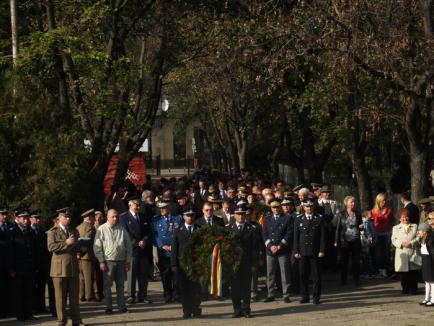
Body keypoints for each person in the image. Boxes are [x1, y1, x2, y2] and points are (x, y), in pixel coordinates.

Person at [47, 207, 83, 326]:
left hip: (72, 268)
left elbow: (76, 245)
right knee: (60, 298)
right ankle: (61, 321)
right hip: (59, 270)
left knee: (74, 298)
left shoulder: (74, 230)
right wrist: (65, 243)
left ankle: (76, 321)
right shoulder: (53, 231)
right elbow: (51, 247)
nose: (68, 219)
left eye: (69, 217)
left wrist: (81, 247)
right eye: (65, 217)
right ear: (59, 218)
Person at [93, 209, 132, 314]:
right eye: (113, 217)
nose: (115, 218)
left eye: (116, 216)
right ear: (107, 217)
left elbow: (128, 246)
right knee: (107, 286)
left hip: (121, 261)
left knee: (120, 285)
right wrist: (101, 261)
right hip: (108, 262)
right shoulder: (101, 229)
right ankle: (108, 307)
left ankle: (121, 306)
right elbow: (97, 247)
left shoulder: (122, 229)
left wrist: (128, 261)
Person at [120, 195, 153, 304]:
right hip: (132, 250)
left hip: (143, 250)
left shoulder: (143, 216)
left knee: (143, 274)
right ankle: (131, 295)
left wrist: (144, 240)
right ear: (130, 205)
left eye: (139, 205)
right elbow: (125, 233)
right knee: (131, 274)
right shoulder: (124, 217)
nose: (138, 207)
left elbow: (147, 231)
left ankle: (143, 295)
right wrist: (136, 242)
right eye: (136, 205)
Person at [227, 206, 259, 318]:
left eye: (243, 214)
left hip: (247, 263)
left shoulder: (252, 228)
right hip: (233, 264)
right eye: (238, 214)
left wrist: (254, 263)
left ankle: (246, 309)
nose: (241, 216)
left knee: (246, 287)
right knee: (234, 288)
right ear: (234, 215)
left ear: (245, 215)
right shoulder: (228, 228)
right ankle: (237, 309)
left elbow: (255, 248)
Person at [8, 208, 38, 321]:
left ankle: (29, 313)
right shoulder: (12, 232)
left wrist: (35, 265)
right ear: (17, 219)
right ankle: (20, 315)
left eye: (27, 218)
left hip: (29, 267)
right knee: (19, 292)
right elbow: (10, 252)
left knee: (29, 292)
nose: (26, 220)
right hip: (18, 268)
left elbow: (33, 250)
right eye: (23, 218)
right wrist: (11, 268)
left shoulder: (29, 232)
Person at [171, 209, 202, 318]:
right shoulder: (178, 230)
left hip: (196, 264)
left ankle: (196, 309)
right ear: (183, 217)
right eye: (188, 216)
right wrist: (174, 264)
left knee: (196, 288)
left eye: (192, 215)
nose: (190, 218)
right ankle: (186, 310)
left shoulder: (199, 229)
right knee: (184, 289)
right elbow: (174, 247)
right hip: (182, 265)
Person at [293, 199, 326, 304]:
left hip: (315, 251)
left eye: (311, 206)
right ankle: (304, 296)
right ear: (303, 207)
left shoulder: (319, 218)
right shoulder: (298, 219)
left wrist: (322, 250)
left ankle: (316, 297)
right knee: (303, 275)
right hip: (303, 251)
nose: (309, 208)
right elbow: (296, 237)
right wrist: (296, 250)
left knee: (316, 275)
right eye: (307, 206)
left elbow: (322, 237)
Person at [152, 201, 183, 302]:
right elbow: (154, 235)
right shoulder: (156, 220)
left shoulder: (177, 218)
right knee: (165, 274)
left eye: (164, 208)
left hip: (175, 251)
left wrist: (174, 246)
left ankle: (176, 294)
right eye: (160, 208)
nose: (162, 210)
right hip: (163, 252)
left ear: (169, 208)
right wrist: (162, 245)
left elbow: (181, 232)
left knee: (176, 274)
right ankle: (167, 294)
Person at [262, 200, 292, 303]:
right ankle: (270, 294)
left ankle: (286, 294)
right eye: (274, 207)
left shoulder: (287, 218)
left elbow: (288, 233)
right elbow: (264, 233)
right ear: (271, 208)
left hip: (282, 249)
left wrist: (279, 246)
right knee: (270, 273)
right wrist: (270, 246)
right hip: (270, 250)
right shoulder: (267, 219)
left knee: (285, 273)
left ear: (280, 207)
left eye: (277, 207)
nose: (276, 209)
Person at [334, 196, 364, 286]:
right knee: (344, 262)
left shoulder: (358, 214)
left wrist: (361, 227)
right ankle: (343, 280)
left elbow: (361, 228)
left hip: (355, 240)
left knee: (356, 261)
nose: (353, 204)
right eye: (351, 202)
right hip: (345, 241)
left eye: (354, 202)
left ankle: (356, 279)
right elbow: (338, 229)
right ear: (346, 203)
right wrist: (336, 240)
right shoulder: (341, 214)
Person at [391, 208, 420, 294]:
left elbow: (419, 237)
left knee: (413, 272)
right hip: (402, 251)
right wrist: (401, 244)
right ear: (400, 218)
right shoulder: (395, 228)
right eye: (403, 217)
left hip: (412, 252)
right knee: (403, 274)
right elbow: (393, 239)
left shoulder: (415, 226)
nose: (405, 219)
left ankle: (414, 289)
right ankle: (405, 289)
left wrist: (412, 243)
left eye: (406, 217)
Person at [29, 210, 50, 313]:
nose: (38, 220)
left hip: (42, 263)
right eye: (36, 218)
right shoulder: (28, 231)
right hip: (32, 263)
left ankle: (41, 306)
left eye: (39, 218)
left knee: (41, 286)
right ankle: (33, 307)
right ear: (30, 219)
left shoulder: (41, 230)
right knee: (33, 287)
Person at [371, 193, 394, 278]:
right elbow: (372, 224)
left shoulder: (389, 210)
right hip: (377, 234)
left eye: (385, 200)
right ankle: (380, 270)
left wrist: (391, 231)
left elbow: (392, 221)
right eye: (382, 201)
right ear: (378, 201)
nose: (384, 202)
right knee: (378, 252)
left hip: (387, 233)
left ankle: (387, 270)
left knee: (386, 252)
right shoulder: (373, 211)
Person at [77, 209, 97, 302]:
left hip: (80, 256)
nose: (94, 219)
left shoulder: (78, 227)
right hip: (88, 255)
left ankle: (82, 295)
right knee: (89, 276)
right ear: (89, 217)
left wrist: (78, 253)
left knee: (81, 277)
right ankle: (89, 296)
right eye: (93, 217)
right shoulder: (90, 227)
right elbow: (88, 240)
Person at [0, 206, 12, 318]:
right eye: (2, 214)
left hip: (8, 262)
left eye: (5, 214)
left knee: (7, 288)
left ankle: (7, 310)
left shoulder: (10, 226)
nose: (5, 216)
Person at [419, 220, 434, 306]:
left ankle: (433, 299)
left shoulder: (430, 238)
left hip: (430, 260)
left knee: (432, 281)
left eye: (420, 231)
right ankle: (426, 298)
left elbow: (432, 251)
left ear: (425, 231)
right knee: (426, 280)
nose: (419, 232)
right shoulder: (422, 239)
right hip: (425, 260)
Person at [93, 211, 105, 301]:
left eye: (102, 217)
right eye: (99, 217)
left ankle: (101, 292)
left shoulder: (103, 227)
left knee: (101, 275)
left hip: (102, 253)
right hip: (93, 254)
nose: (101, 219)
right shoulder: (92, 227)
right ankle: (96, 292)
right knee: (95, 275)